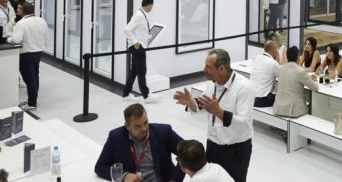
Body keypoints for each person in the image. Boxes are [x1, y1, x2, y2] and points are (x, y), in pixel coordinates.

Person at [173, 49, 254, 182]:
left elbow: (244, 124)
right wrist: (191, 102)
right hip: (213, 145)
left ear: (221, 69)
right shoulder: (213, 83)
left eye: (208, 67)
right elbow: (203, 103)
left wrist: (219, 112)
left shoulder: (244, 87)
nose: (204, 69)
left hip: (235, 150)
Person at [95, 103, 185, 182]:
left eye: (145, 122)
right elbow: (101, 167)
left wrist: (174, 180)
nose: (144, 129)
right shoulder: (115, 137)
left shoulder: (163, 132)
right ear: (127, 126)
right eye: (138, 126)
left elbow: (187, 153)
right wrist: (124, 176)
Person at [5, 3, 46, 111]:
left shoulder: (21, 23)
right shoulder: (41, 20)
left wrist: (9, 38)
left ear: (22, 11)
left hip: (26, 53)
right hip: (38, 52)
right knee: (35, 76)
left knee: (29, 79)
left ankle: (32, 103)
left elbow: (16, 40)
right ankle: (32, 100)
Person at [123, 0, 154, 101]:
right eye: (151, 6)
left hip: (139, 46)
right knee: (142, 71)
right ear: (149, 5)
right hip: (137, 47)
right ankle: (146, 95)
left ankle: (126, 94)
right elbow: (127, 29)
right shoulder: (139, 16)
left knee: (134, 71)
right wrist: (135, 42)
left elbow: (140, 31)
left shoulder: (142, 15)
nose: (152, 8)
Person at [273, 46, 319, 117]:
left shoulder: (280, 68)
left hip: (278, 108)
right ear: (298, 57)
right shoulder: (300, 71)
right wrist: (313, 80)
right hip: (293, 111)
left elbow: (290, 76)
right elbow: (315, 88)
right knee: (313, 106)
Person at [250, 40, 279, 107]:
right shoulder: (273, 63)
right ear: (273, 49)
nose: (277, 51)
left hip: (251, 97)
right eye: (276, 49)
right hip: (261, 100)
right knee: (282, 97)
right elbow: (284, 75)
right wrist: (278, 61)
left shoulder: (257, 58)